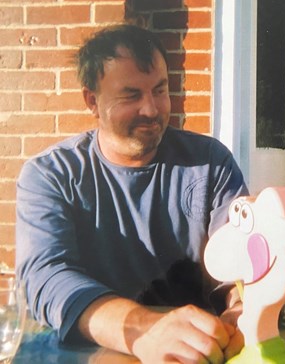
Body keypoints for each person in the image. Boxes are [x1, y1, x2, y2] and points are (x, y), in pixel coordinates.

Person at [16, 23, 249, 363]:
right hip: (91, 353)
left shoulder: (210, 163)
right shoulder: (51, 174)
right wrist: (144, 331)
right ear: (92, 101)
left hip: (199, 353)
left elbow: (243, 269)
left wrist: (241, 314)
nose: (152, 110)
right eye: (131, 96)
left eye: (160, 90)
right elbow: (46, 277)